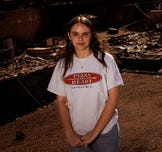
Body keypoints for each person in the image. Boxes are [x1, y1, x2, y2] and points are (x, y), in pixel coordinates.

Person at [47, 15, 124, 151]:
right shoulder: (62, 65)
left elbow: (113, 98)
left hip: (105, 132)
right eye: (75, 34)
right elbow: (61, 101)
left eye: (85, 34)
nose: (80, 38)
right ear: (69, 36)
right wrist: (69, 132)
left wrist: (94, 132)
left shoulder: (106, 60)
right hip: (77, 135)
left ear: (92, 35)